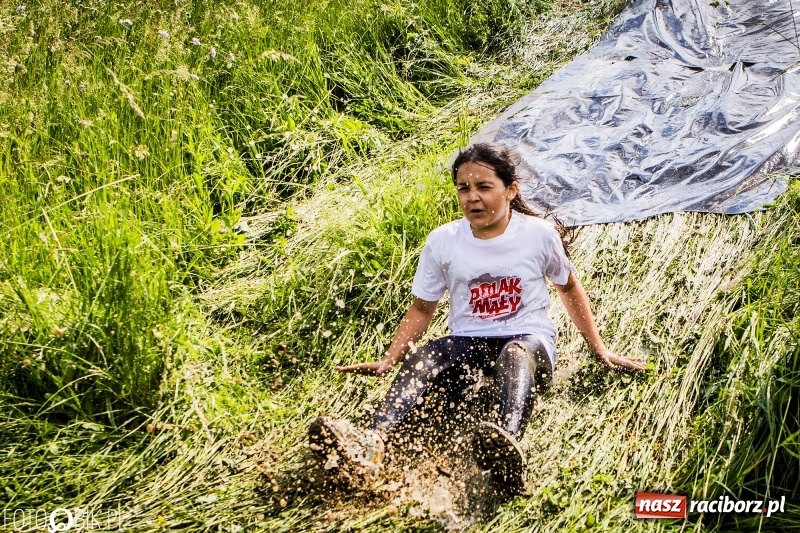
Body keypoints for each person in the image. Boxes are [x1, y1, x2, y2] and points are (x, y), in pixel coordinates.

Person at [309, 143, 646, 493]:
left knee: (516, 353)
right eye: (464, 188)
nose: (472, 198)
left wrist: (599, 348)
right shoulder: (443, 241)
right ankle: (370, 443)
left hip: (529, 344)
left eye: (484, 187)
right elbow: (423, 308)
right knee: (429, 355)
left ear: (510, 189)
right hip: (470, 344)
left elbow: (569, 288)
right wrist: (391, 358)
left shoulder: (537, 235)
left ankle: (505, 446)